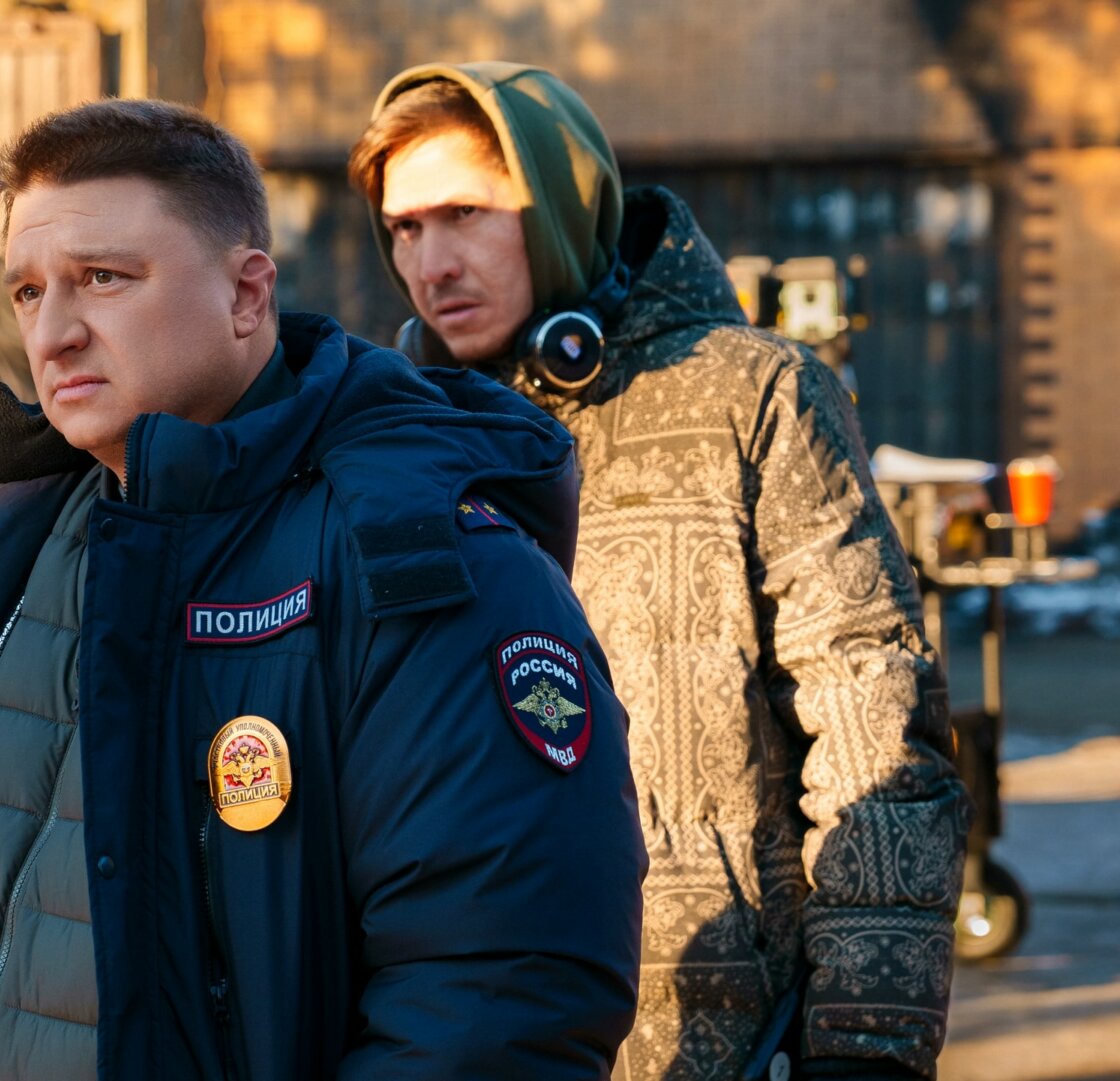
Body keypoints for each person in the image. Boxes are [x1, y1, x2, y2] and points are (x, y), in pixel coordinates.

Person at [0, 98, 647, 1081]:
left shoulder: (419, 558)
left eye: (103, 279)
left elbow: (501, 997)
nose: (52, 333)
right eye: (26, 290)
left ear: (246, 295)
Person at [349, 62, 969, 1081]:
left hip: (714, 1034)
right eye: (404, 228)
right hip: (465, 1036)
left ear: (559, 206)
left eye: (464, 214)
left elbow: (876, 737)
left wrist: (866, 1045)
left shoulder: (756, 398)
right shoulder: (399, 445)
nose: (431, 262)